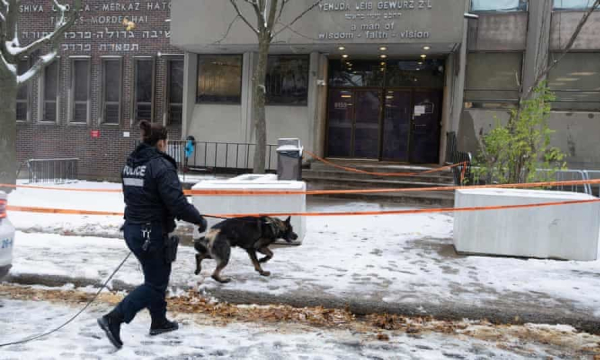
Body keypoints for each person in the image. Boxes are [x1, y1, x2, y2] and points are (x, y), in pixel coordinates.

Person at [97, 120, 207, 349]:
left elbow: (136, 195)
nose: (166, 146)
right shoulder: (160, 166)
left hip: (134, 229)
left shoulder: (131, 163)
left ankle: (159, 321)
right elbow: (176, 202)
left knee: (156, 277)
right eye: (165, 142)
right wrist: (198, 219)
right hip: (151, 232)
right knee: (155, 284)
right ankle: (114, 319)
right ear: (160, 143)